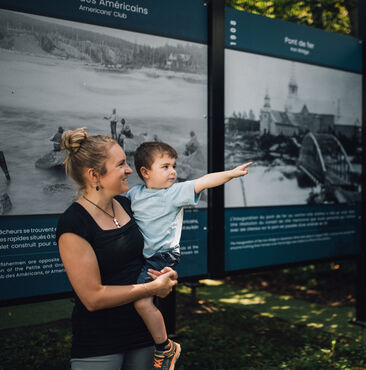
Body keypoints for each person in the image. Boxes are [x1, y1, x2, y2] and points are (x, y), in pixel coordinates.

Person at [56, 128, 178, 370]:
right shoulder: (74, 223)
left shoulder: (128, 205)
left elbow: (147, 257)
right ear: (95, 175)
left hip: (144, 335)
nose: (130, 170)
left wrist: (166, 277)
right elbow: (92, 297)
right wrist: (150, 287)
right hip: (100, 343)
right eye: (121, 164)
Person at [127, 141, 252, 369]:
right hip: (144, 255)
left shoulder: (174, 193)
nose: (173, 171)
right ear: (145, 172)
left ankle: (165, 347)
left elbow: (203, 181)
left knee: (141, 302)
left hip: (162, 256)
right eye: (165, 166)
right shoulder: (135, 193)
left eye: (173, 165)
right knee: (135, 299)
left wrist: (231, 174)